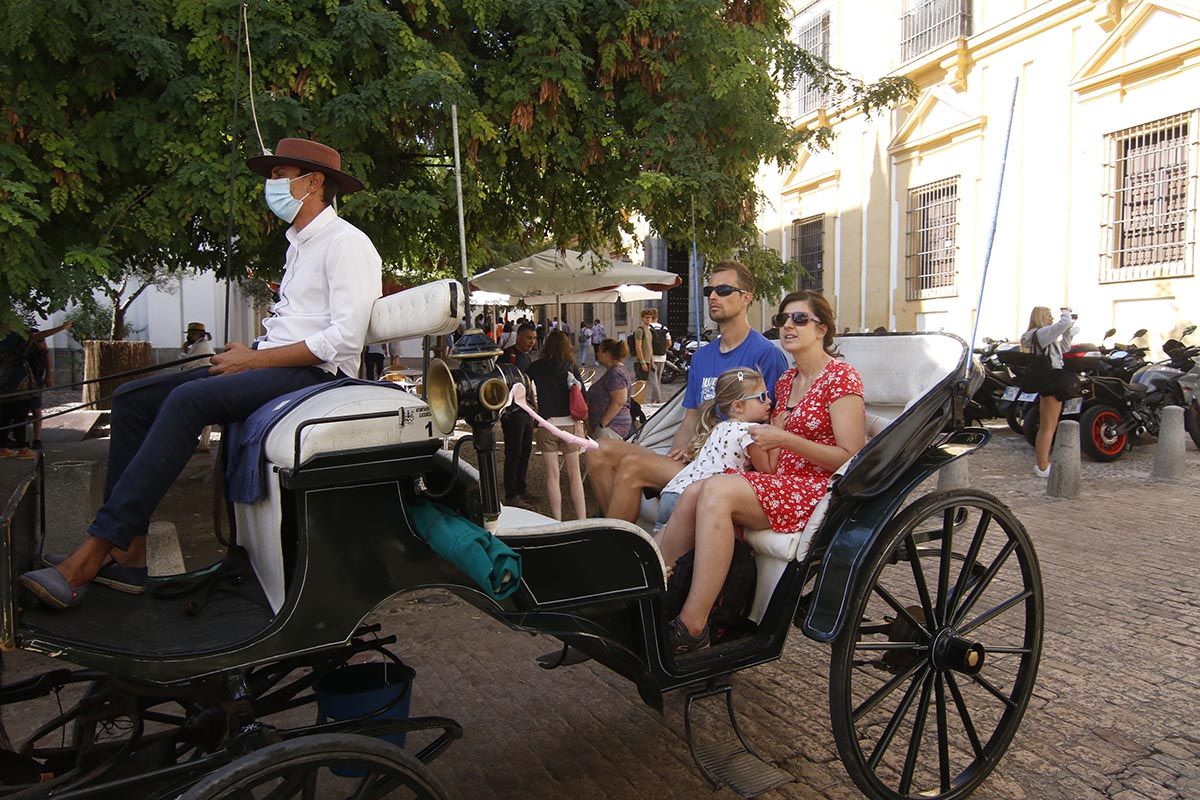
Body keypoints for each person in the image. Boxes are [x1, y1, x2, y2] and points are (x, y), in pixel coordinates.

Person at [20, 137, 383, 609]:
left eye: (279, 175)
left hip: (316, 378)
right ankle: (128, 552)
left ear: (313, 182)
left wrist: (254, 360)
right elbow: (296, 323)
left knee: (187, 401)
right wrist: (250, 351)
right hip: (274, 362)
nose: (270, 185)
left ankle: (92, 552)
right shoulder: (298, 245)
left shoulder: (347, 244)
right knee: (132, 400)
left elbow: (344, 341)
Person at [656, 290, 866, 653]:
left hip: (815, 488)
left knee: (717, 490)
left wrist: (786, 440)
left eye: (799, 319)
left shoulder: (841, 378)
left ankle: (692, 625)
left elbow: (851, 456)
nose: (788, 325)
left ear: (822, 329)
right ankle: (658, 591)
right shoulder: (785, 381)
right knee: (695, 490)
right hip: (778, 481)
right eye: (782, 319)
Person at [586, 261, 789, 522]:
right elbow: (690, 417)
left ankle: (619, 547)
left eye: (724, 290)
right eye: (709, 291)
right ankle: (618, 532)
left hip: (728, 466)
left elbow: (774, 423)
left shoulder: (766, 355)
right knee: (598, 449)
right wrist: (676, 454)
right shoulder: (702, 356)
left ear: (746, 298)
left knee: (632, 466)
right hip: (694, 458)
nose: (713, 296)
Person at [651, 368, 772, 536]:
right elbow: (768, 469)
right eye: (762, 397)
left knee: (661, 547)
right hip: (694, 498)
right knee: (684, 556)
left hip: (672, 491)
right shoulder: (750, 432)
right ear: (737, 406)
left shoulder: (719, 427)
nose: (770, 401)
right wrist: (778, 434)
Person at [526, 331, 587, 520]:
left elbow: (522, 385)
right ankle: (582, 518)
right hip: (569, 426)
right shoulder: (571, 367)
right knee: (574, 475)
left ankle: (557, 519)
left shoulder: (535, 367)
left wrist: (532, 406)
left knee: (552, 477)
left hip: (547, 426)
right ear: (567, 346)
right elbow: (583, 395)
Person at [1021, 306, 1079, 478]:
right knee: (1048, 426)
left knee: (1047, 425)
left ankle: (1042, 463)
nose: (1052, 318)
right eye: (1049, 315)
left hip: (1048, 378)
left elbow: (1064, 348)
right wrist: (1066, 312)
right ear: (1041, 317)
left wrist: (1069, 332)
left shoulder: (1040, 335)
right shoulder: (1040, 333)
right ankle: (1043, 465)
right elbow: (1064, 322)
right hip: (1051, 379)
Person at [500, 322, 538, 507]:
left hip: (527, 410)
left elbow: (529, 384)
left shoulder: (527, 357)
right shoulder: (508, 355)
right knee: (513, 452)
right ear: (519, 337)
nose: (532, 342)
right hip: (512, 412)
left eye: (534, 338)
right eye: (529, 338)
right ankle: (511, 494)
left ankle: (522, 488)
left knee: (525, 451)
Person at [27, 320, 74, 450]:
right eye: (40, 340)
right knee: (20, 410)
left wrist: (49, 375)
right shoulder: (25, 345)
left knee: (36, 409)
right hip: (23, 381)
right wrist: (61, 327)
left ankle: (37, 438)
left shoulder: (42, 350)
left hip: (36, 380)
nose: (43, 343)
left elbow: (47, 359)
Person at [0, 324, 36, 459]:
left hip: (4, 385)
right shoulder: (13, 340)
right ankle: (22, 448)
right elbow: (34, 337)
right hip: (18, 384)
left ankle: (2, 447)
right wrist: (61, 328)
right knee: (20, 417)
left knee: (5, 418)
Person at [587, 339, 633, 439]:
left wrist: (603, 424)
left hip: (612, 428)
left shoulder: (616, 373)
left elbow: (619, 401)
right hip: (609, 427)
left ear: (606, 353)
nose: (597, 353)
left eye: (599, 350)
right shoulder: (614, 371)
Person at [633, 308, 671, 404]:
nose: (648, 319)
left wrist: (652, 361)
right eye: (646, 317)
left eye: (650, 317)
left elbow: (649, 347)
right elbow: (669, 343)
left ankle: (655, 400)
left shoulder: (649, 330)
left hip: (652, 358)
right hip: (660, 357)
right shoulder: (643, 330)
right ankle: (657, 400)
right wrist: (643, 362)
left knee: (655, 381)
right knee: (655, 381)